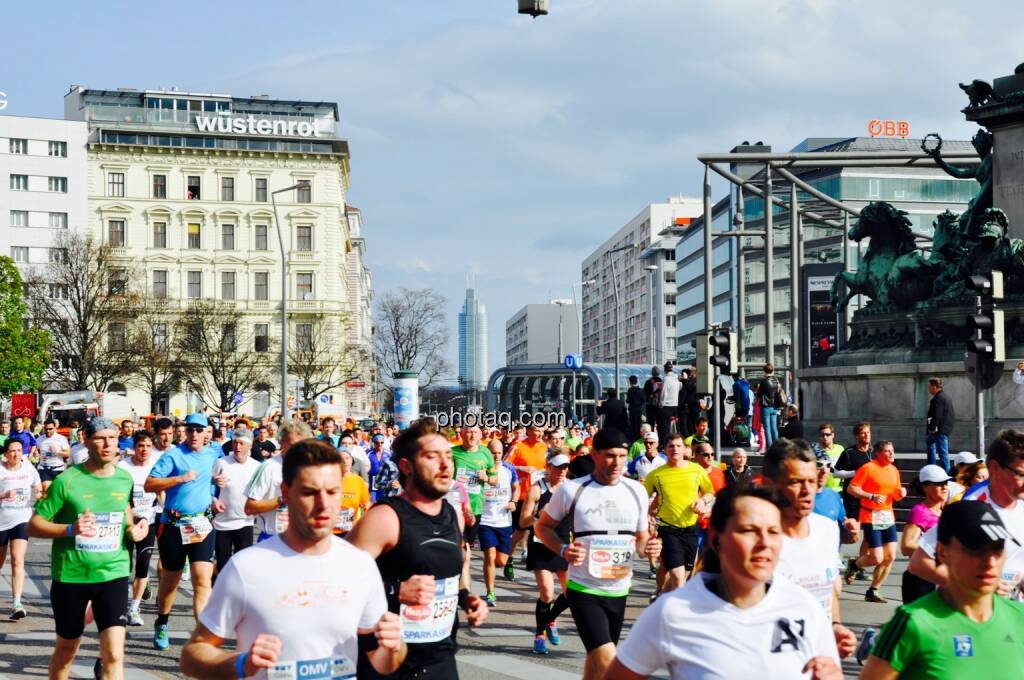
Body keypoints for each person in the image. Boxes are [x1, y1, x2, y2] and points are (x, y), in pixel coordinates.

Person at [180, 440, 407, 679]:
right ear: (286, 493)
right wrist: (241, 664)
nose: (323, 505)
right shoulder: (247, 567)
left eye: (332, 492)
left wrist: (393, 647)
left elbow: (384, 662)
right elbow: (192, 655)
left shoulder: (359, 565)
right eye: (309, 492)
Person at [603, 484, 843, 680]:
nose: (764, 543)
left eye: (773, 531)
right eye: (749, 530)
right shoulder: (674, 612)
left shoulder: (803, 606)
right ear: (717, 540)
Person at [346, 418, 488, 680]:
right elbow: (337, 579)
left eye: (448, 455)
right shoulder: (386, 518)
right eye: (432, 457)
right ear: (407, 467)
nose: (446, 464)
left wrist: (467, 597)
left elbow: (455, 572)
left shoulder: (453, 515)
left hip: (441, 655)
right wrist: (396, 590)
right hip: (389, 659)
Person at [534, 427, 661, 680]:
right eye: (610, 456)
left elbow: (640, 539)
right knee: (609, 660)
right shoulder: (571, 490)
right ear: (595, 455)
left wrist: (648, 547)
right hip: (583, 589)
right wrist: (562, 549)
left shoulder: (636, 490)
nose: (617, 463)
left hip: (619, 588)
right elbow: (542, 527)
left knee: (595, 664)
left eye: (622, 456)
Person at [29, 416, 150, 680]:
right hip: (72, 576)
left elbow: (127, 516)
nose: (108, 444)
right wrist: (70, 529)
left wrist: (136, 529)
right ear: (85, 440)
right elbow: (34, 525)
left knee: (114, 655)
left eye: (113, 438)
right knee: (67, 650)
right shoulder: (67, 481)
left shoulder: (124, 479)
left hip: (113, 573)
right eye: (100, 438)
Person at [861, 501, 1024, 679]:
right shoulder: (912, 622)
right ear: (942, 552)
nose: (990, 562)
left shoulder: (1019, 617)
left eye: (998, 549)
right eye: (975, 550)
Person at [763, 438, 857, 659]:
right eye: (796, 482)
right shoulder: (756, 541)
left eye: (811, 481)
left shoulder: (826, 529)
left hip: (820, 660)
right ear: (770, 485)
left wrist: (834, 625)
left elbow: (827, 591)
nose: (807, 491)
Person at [908, 429, 1024, 600]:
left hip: (1010, 614)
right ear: (994, 468)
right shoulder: (971, 507)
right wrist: (975, 584)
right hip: (966, 615)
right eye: (1021, 474)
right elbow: (919, 562)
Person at [145, 412, 227, 651]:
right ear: (184, 431)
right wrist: (179, 479)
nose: (194, 434)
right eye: (190, 430)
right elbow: (150, 484)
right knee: (171, 581)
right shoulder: (173, 455)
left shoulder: (214, 453)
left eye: (198, 430)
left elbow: (215, 476)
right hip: (173, 525)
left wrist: (214, 492)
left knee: (203, 580)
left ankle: (202, 637)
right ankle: (162, 621)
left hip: (201, 524)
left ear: (205, 434)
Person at [644, 434, 712, 593]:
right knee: (678, 577)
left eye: (678, 446)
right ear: (665, 449)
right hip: (668, 529)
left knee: (686, 574)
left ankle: (661, 598)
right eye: (671, 446)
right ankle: (678, 612)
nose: (675, 449)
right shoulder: (656, 474)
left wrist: (702, 502)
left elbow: (709, 492)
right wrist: (646, 515)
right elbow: (642, 496)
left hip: (691, 528)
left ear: (684, 449)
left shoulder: (696, 470)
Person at [520, 451, 571, 655]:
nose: (562, 471)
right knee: (547, 593)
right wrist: (539, 519)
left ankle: (550, 619)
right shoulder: (537, 489)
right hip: (540, 545)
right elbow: (522, 521)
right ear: (548, 467)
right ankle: (539, 635)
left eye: (565, 467)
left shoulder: (570, 489)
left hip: (561, 545)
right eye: (558, 467)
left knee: (572, 593)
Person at [844, 440, 907, 603]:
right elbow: (852, 488)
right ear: (878, 453)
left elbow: (895, 495)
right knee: (877, 558)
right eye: (887, 451)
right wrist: (870, 496)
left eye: (892, 450)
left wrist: (901, 494)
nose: (891, 454)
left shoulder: (894, 470)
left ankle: (873, 590)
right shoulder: (868, 468)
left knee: (891, 556)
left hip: (888, 516)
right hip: (871, 516)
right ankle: (855, 565)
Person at [118, 431, 162, 627]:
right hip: (126, 522)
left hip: (149, 522)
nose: (144, 450)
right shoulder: (123, 467)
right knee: (124, 566)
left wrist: (163, 507)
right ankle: (119, 605)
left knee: (143, 564)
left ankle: (134, 608)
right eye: (140, 446)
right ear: (134, 447)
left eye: (148, 446)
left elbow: (162, 492)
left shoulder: (157, 466)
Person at [244, 420, 313, 543]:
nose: (297, 450)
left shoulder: (310, 467)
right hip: (272, 538)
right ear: (281, 442)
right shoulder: (269, 467)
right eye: (292, 445)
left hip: (302, 538)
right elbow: (250, 508)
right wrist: (282, 500)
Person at [0, 439, 41, 619]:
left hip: (21, 519)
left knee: (17, 559)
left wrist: (40, 495)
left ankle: (17, 603)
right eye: (12, 451)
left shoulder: (28, 468)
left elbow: (38, 488)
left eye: (19, 450)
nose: (16, 454)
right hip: (1, 521)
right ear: (5, 453)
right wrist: (3, 495)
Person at [211, 425, 260, 574]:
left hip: (245, 522)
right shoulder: (222, 463)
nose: (237, 447)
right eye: (235, 443)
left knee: (241, 567)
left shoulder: (257, 467)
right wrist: (213, 499)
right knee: (223, 567)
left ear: (249, 446)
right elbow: (207, 485)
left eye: (241, 444)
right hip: (222, 524)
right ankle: (217, 594)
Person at [899, 465, 949, 605]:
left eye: (945, 483)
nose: (944, 487)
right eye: (939, 484)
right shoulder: (920, 511)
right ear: (925, 487)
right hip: (921, 579)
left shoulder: (945, 511)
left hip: (938, 576)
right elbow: (906, 546)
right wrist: (941, 553)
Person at [479, 439, 519, 606]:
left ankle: (501, 565)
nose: (496, 456)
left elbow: (516, 487)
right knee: (489, 555)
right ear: (488, 452)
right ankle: (490, 593)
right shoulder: (481, 468)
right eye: (493, 452)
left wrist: (514, 502)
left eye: (499, 452)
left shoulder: (509, 468)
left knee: (500, 561)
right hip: (485, 519)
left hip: (504, 520)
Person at [834, 421, 873, 581]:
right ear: (857, 436)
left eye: (868, 432)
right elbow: (836, 473)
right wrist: (855, 473)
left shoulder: (872, 453)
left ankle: (859, 566)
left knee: (870, 535)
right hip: (853, 499)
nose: (867, 435)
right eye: (863, 433)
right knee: (852, 534)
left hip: (870, 498)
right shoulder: (849, 453)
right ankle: (835, 555)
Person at [507, 425, 549, 570]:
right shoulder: (518, 446)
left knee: (537, 529)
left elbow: (548, 467)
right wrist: (521, 468)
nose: (540, 433)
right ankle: (509, 558)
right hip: (522, 494)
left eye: (542, 431)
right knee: (520, 531)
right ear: (529, 431)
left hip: (539, 493)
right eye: (537, 430)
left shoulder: (545, 447)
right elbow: (505, 464)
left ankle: (535, 560)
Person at [450, 425, 496, 551]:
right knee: (456, 543)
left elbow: (494, 480)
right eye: (469, 432)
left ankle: (464, 569)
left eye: (475, 432)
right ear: (462, 435)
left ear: (480, 435)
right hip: (455, 505)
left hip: (475, 506)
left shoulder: (486, 453)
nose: (472, 435)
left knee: (467, 545)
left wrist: (486, 478)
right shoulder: (452, 452)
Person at [335, 448, 370, 537]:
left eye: (347, 458)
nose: (345, 461)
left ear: (352, 460)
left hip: (349, 532)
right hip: (328, 532)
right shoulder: (328, 479)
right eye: (341, 458)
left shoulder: (358, 481)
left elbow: (366, 505)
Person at [925, 377, 955, 472]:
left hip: (938, 430)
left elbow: (936, 415)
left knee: (941, 453)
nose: (928, 389)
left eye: (929, 386)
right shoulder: (945, 397)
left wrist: (932, 427)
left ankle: (936, 471)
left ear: (934, 386)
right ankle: (935, 470)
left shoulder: (938, 398)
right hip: (943, 429)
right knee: (937, 449)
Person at [36, 418, 71, 490]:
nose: (48, 431)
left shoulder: (61, 439)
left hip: (57, 468)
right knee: (46, 487)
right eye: (46, 429)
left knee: (56, 490)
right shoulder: (39, 439)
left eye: (50, 429)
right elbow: (36, 451)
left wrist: (57, 451)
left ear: (55, 428)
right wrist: (38, 455)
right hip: (44, 468)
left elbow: (68, 454)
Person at [755, 363, 784, 447]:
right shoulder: (776, 380)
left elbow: (759, 394)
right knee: (774, 427)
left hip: (765, 407)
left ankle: (770, 448)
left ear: (765, 371)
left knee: (767, 428)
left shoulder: (764, 382)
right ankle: (777, 446)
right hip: (774, 407)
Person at [812, 423, 845, 493]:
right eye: (822, 435)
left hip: (839, 490)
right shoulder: (816, 451)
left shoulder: (840, 449)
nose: (825, 437)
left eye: (827, 434)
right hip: (822, 489)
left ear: (833, 435)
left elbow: (844, 467)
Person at [657, 364, 680, 446]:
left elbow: (664, 393)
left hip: (666, 405)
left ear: (665, 370)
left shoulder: (666, 379)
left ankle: (664, 444)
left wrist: (660, 404)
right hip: (675, 405)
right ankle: (673, 443)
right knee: (674, 427)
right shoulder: (676, 379)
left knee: (664, 427)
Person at [642, 366, 662, 435]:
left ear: (652, 373)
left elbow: (645, 393)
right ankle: (659, 437)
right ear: (659, 373)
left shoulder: (648, 382)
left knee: (651, 422)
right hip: (660, 405)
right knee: (660, 422)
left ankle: (651, 435)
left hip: (650, 404)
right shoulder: (662, 381)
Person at [625, 375, 644, 441]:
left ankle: (633, 439)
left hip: (632, 410)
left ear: (630, 382)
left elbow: (627, 400)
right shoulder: (640, 390)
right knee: (638, 425)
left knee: (632, 425)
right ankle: (638, 438)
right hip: (639, 410)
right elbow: (643, 400)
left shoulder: (630, 390)